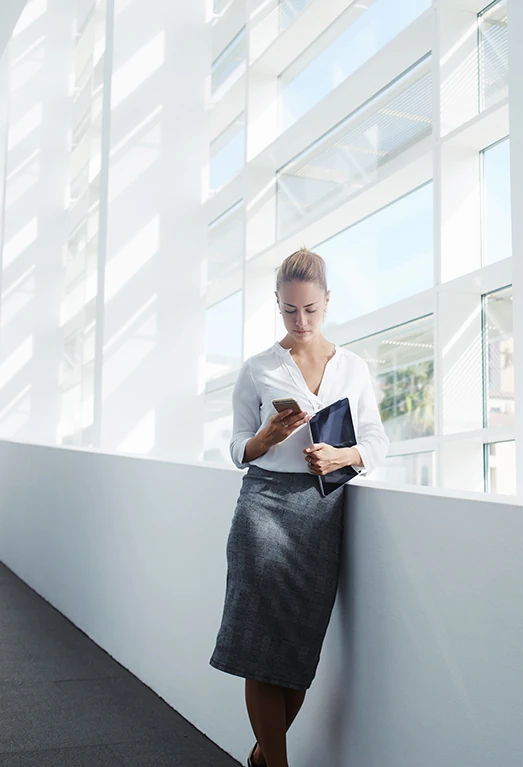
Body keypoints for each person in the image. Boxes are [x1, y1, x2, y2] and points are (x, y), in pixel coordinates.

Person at [209, 248, 389, 767]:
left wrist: (342, 454)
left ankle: (263, 757)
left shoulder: (352, 369)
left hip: (320, 514)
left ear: (327, 302)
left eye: (310, 309)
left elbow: (376, 442)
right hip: (262, 509)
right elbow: (237, 448)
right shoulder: (259, 369)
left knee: (297, 652)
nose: (300, 320)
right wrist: (264, 438)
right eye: (290, 310)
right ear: (278, 305)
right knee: (258, 650)